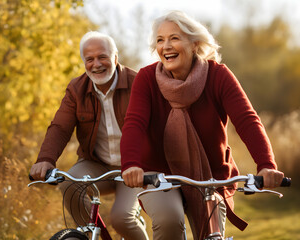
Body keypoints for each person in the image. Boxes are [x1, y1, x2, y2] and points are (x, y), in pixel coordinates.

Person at [120, 11, 285, 240]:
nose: (166, 46)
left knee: (211, 233)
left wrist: (266, 164)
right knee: (169, 220)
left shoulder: (218, 76)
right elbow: (134, 123)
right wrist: (131, 164)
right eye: (160, 40)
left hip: (211, 176)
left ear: (194, 43)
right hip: (158, 175)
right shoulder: (147, 78)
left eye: (174, 38)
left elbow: (247, 120)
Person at [30, 31, 149, 240]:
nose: (97, 64)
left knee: (122, 218)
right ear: (84, 62)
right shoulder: (76, 89)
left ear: (115, 57)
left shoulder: (137, 82)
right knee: (69, 185)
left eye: (102, 57)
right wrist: (45, 159)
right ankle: (92, 235)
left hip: (134, 166)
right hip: (97, 163)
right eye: (89, 59)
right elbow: (60, 127)